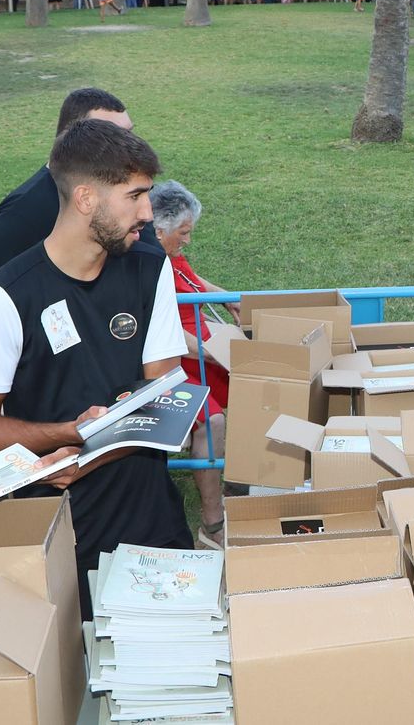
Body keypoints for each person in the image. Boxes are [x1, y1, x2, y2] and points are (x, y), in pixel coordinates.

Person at [0, 118, 192, 619]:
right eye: (135, 196)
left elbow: (168, 402)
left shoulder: (151, 270)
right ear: (86, 198)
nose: (148, 213)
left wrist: (90, 455)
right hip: (56, 538)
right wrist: (66, 434)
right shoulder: (3, 297)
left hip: (152, 522)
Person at [0, 88, 143, 285]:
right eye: (112, 137)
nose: (129, 146)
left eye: (129, 134)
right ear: (73, 138)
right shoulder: (18, 216)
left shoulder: (131, 198)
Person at [150, 180, 235, 549]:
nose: (186, 240)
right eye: (182, 233)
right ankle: (212, 522)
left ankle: (238, 476)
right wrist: (212, 350)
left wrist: (230, 298)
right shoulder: (147, 265)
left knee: (254, 389)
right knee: (212, 422)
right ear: (157, 230)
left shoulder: (169, 255)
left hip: (201, 350)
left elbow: (190, 279)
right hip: (177, 361)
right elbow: (162, 332)